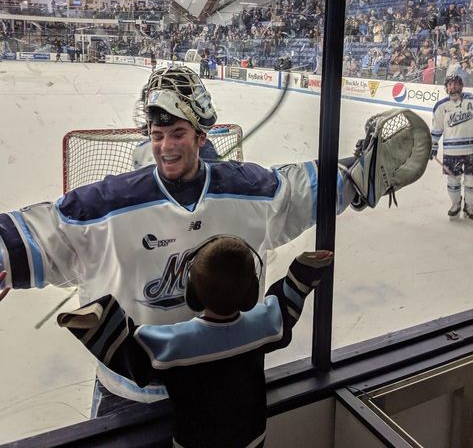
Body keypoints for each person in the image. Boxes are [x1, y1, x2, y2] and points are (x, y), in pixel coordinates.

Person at [0, 65, 430, 416]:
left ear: (202, 136)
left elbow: (298, 190)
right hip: (130, 397)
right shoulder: (106, 204)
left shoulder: (247, 188)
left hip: (221, 384)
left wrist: (354, 177)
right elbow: (36, 234)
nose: (166, 146)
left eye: (178, 133)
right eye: (157, 135)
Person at [57, 236, 333, 448]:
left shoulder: (176, 343)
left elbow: (129, 353)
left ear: (192, 294)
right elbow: (285, 304)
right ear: (251, 294)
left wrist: (96, 317)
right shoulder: (261, 326)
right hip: (252, 443)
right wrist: (304, 269)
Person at [431, 74, 473, 219]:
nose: (453, 87)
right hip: (451, 151)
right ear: (446, 87)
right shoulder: (441, 106)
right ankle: (456, 204)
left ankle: (470, 206)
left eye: (455, 84)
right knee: (453, 181)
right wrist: (433, 146)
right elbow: (436, 129)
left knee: (471, 181)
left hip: (471, 150)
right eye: (450, 84)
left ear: (461, 86)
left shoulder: (471, 100)